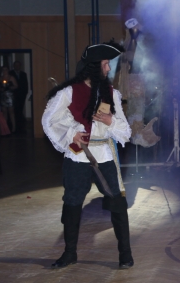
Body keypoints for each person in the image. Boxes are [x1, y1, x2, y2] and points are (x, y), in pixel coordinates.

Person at [42, 42, 133, 269]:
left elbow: (125, 131)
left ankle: (125, 255)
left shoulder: (111, 94)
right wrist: (71, 134)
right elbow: (49, 119)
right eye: (105, 64)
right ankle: (69, 253)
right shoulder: (69, 92)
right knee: (72, 204)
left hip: (105, 156)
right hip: (77, 157)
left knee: (118, 204)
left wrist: (110, 121)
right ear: (94, 66)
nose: (108, 69)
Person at [10, 60, 29, 135]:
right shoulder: (11, 73)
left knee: (20, 110)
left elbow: (25, 84)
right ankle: (13, 126)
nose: (17, 67)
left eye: (18, 65)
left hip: (21, 95)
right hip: (13, 95)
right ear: (14, 66)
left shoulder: (23, 74)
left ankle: (20, 126)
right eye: (16, 65)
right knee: (13, 110)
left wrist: (25, 93)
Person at [0, 66, 18, 134]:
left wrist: (10, 87)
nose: (4, 71)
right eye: (3, 70)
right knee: (4, 112)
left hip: (10, 96)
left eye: (6, 70)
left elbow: (16, 86)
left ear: (8, 70)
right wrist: (1, 89)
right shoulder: (0, 78)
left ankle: (14, 127)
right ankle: (5, 128)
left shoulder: (11, 78)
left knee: (11, 112)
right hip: (3, 96)